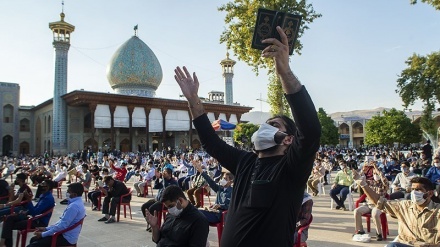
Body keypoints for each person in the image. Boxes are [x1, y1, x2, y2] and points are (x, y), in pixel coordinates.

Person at [173, 25, 321, 246]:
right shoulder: (245, 162)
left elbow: (310, 130)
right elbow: (211, 142)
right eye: (266, 124)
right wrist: (193, 100)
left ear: (289, 139)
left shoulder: (292, 168)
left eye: (274, 125)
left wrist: (284, 72)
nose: (265, 128)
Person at [356, 175, 440, 246]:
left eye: (418, 190)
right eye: (412, 189)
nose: (414, 193)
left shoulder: (437, 211)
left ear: (430, 193)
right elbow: (379, 202)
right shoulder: (404, 206)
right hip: (405, 244)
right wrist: (363, 185)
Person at [144, 185, 209, 246]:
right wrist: (154, 227)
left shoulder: (198, 221)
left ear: (180, 201)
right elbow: (157, 240)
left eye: (171, 206)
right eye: (167, 207)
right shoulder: (171, 214)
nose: (169, 210)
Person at [27, 182, 86, 247]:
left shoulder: (74, 206)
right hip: (64, 233)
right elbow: (61, 222)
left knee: (33, 244)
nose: (67, 193)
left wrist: (43, 234)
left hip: (65, 237)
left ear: (74, 194)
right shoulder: (77, 203)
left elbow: (62, 226)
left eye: (68, 192)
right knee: (34, 240)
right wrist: (46, 228)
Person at [0, 180, 56, 247]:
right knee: (10, 218)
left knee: (9, 223)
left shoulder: (47, 199)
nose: (40, 185)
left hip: (38, 222)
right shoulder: (44, 195)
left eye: (43, 184)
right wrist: (25, 212)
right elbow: (35, 209)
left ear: (47, 187)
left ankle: (5, 244)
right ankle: (5, 244)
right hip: (34, 218)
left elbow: (34, 213)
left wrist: (29, 200)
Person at [352, 165, 389, 241]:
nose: (375, 175)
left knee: (374, 214)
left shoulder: (384, 184)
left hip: (379, 205)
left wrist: (376, 169)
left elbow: (384, 179)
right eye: (374, 173)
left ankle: (379, 233)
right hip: (369, 204)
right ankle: (360, 230)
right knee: (357, 211)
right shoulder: (370, 182)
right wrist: (362, 170)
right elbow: (361, 179)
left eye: (377, 174)